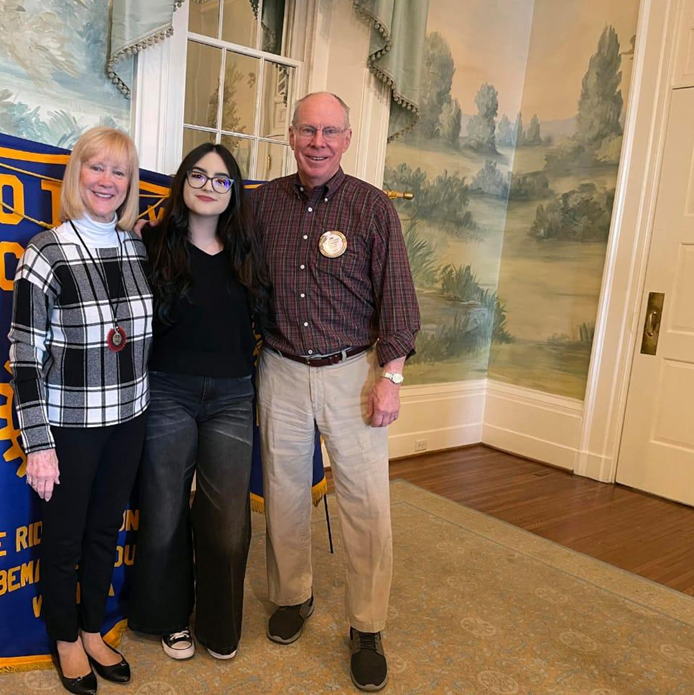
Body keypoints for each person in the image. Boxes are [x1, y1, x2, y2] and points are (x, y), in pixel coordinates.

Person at [250, 92, 420, 692]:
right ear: (290, 135)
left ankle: (367, 626)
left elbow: (399, 299)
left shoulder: (372, 208)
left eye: (330, 132)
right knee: (285, 494)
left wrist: (391, 378)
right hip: (282, 370)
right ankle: (293, 597)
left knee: (366, 505)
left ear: (347, 139)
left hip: (355, 374)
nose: (318, 142)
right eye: (307, 131)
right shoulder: (263, 203)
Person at [9, 126, 153, 695]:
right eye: (97, 167)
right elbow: (24, 354)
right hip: (69, 425)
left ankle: (94, 628)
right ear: (77, 174)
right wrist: (38, 443)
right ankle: (66, 638)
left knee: (104, 530)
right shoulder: (46, 252)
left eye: (119, 172)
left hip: (130, 418)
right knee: (64, 537)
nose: (107, 181)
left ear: (129, 184)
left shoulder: (138, 248)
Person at [128, 143, 270, 661]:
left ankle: (219, 623)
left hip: (233, 395)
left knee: (227, 516)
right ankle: (167, 618)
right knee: (164, 508)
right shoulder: (152, 243)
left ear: (233, 192)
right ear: (182, 182)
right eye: (198, 175)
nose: (208, 186)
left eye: (221, 179)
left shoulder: (246, 251)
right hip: (168, 390)